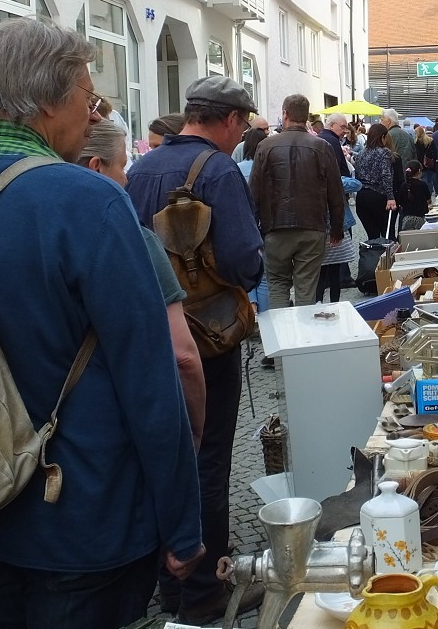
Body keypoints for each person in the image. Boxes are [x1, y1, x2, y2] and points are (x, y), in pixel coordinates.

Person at [0, 18, 204, 627]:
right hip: (77, 511)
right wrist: (182, 522)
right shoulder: (88, 201)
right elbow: (150, 380)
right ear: (51, 101)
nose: (90, 113)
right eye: (89, 97)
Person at [126, 75, 265, 625]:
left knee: (163, 457)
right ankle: (207, 588)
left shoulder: (140, 168)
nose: (241, 134)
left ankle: (170, 584)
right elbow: (241, 259)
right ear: (229, 120)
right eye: (243, 124)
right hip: (207, 340)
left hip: (147, 333)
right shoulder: (218, 169)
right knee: (209, 461)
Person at [77, 119, 206, 446]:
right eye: (121, 165)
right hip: (126, 423)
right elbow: (183, 356)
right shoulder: (134, 239)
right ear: (97, 167)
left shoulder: (37, 231)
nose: (127, 175)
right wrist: (194, 432)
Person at [251, 94, 345, 309]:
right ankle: (304, 337)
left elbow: (254, 192)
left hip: (274, 227)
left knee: (277, 283)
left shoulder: (265, 147)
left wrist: (254, 230)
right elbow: (335, 193)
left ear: (285, 114)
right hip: (312, 225)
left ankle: (281, 338)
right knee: (306, 287)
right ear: (306, 116)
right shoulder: (322, 147)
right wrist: (336, 229)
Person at [237, 127, 272, 315]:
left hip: (244, 223)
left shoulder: (237, 168)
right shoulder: (269, 168)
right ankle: (265, 318)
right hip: (265, 223)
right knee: (264, 276)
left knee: (249, 271)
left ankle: (251, 307)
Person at [355, 123, 399, 239]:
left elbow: (357, 174)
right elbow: (386, 174)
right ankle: (389, 256)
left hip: (362, 196)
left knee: (372, 236)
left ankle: (373, 256)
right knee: (387, 234)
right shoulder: (384, 152)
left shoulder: (361, 153)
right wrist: (390, 197)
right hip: (378, 196)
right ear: (383, 137)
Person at [398, 160, 432, 231]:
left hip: (406, 218)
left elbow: (400, 202)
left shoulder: (403, 185)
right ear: (419, 171)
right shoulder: (422, 184)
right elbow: (428, 200)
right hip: (420, 217)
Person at [319, 113, 351, 177]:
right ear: (331, 126)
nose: (345, 131)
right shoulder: (332, 140)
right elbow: (335, 168)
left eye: (346, 128)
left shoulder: (318, 137)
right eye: (343, 127)